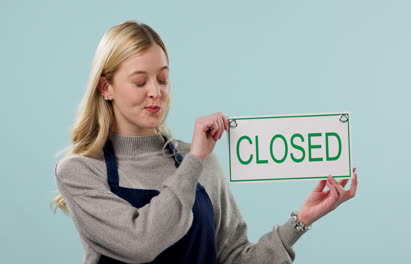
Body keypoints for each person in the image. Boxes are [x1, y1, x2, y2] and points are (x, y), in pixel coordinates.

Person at [51, 20, 358, 264]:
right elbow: (140, 243)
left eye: (162, 79)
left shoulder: (201, 162)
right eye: (139, 81)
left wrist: (300, 221)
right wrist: (194, 162)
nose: (155, 92)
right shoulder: (80, 171)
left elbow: (235, 259)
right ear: (106, 87)